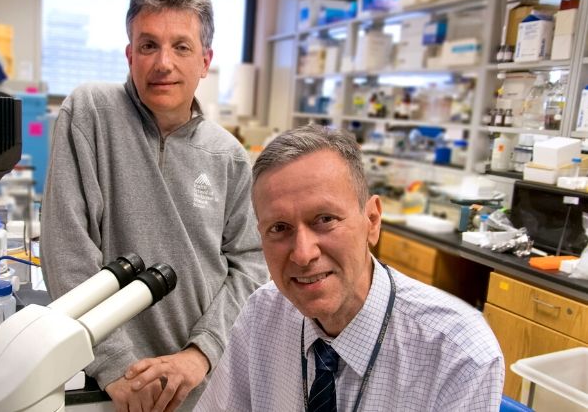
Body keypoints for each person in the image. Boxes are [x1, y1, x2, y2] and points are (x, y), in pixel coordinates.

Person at [40, 0, 268, 411]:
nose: (164, 62)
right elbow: (67, 248)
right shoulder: (90, 113)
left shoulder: (229, 157)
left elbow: (251, 266)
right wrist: (116, 367)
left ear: (204, 61)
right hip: (111, 387)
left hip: (205, 383)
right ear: (130, 54)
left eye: (181, 46)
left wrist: (201, 354)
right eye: (149, 45)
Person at [196, 124, 504, 411]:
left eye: (325, 219)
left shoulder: (459, 355)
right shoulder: (261, 316)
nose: (303, 255)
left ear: (372, 221)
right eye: (279, 228)